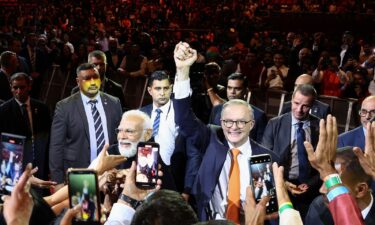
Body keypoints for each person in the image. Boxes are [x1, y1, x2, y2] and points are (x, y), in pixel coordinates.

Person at [172, 42, 279, 222]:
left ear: (251, 124)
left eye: (241, 121)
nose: (234, 126)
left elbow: (267, 211)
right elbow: (184, 119)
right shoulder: (212, 139)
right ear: (221, 122)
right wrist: (182, 72)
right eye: (228, 121)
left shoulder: (263, 158)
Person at [49, 63, 122, 190]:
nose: (93, 82)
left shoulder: (114, 103)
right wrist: (57, 181)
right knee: (82, 210)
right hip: (78, 172)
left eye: (96, 77)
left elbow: (120, 140)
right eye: (87, 78)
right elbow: (56, 146)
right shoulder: (65, 107)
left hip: (109, 173)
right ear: (78, 81)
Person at [262, 84, 321, 220]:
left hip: (310, 192)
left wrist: (311, 184)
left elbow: (327, 162)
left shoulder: (320, 127)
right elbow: (265, 160)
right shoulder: (274, 124)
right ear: (292, 99)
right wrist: (284, 183)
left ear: (313, 105)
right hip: (280, 189)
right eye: (296, 103)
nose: (299, 110)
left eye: (305, 106)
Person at [0, 73, 51, 182]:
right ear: (11, 88)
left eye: (22, 87)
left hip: (38, 161)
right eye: (15, 88)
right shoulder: (3, 111)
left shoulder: (42, 109)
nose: (19, 91)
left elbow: (49, 138)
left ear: (29, 86)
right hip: (13, 163)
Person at [140, 71, 186, 191]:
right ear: (150, 90)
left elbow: (192, 152)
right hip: (147, 173)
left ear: (171, 88)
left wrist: (187, 189)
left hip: (175, 175)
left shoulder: (181, 113)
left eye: (166, 88)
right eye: (158, 88)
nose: (162, 93)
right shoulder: (140, 114)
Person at [305, 148, 375, 225]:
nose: (322, 190)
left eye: (335, 184)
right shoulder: (318, 207)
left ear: (360, 190)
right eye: (325, 181)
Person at [209, 73, 267, 143]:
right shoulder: (216, 110)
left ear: (246, 91)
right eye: (229, 88)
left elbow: (261, 147)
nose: (232, 92)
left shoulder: (258, 116)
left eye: (237, 89)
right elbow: (210, 137)